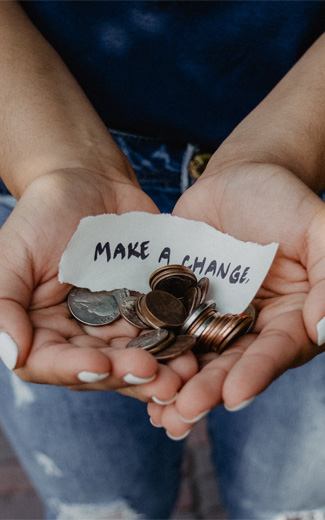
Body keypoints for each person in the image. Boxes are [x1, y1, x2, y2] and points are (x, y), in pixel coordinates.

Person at [1, 1, 325, 518]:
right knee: (99, 507)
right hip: (39, 172)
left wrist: (286, 152)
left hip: (306, 196)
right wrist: (55, 165)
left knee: (294, 507)